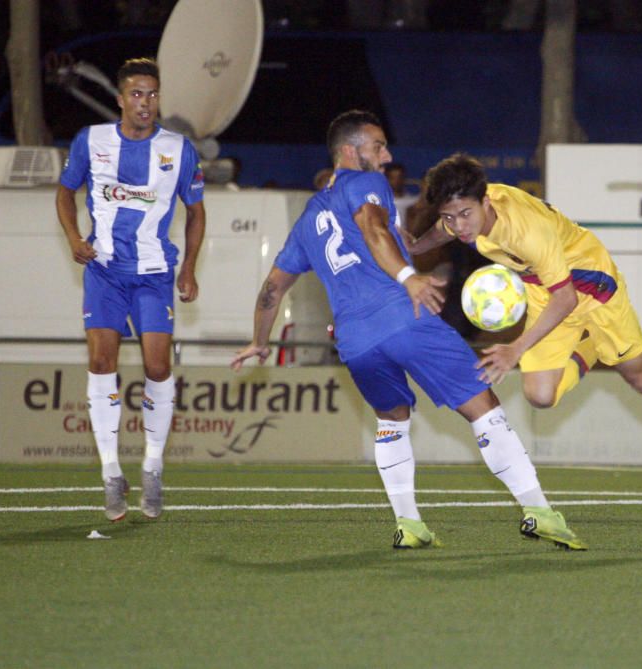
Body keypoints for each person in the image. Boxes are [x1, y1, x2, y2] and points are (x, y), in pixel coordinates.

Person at [231, 110, 586, 550]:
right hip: (405, 319)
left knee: (391, 421)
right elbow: (372, 228)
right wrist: (408, 278)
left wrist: (259, 341)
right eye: (378, 146)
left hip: (355, 343)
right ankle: (539, 511)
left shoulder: (307, 221)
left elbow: (272, 288)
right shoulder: (366, 184)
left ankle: (409, 524)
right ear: (350, 151)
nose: (387, 155)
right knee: (484, 408)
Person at [415, 153, 642, 497]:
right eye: (450, 216)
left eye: (465, 215)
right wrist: (412, 247)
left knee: (640, 377)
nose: (459, 226)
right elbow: (442, 231)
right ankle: (592, 347)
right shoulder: (466, 214)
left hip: (592, 284)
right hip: (543, 288)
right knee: (540, 395)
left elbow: (566, 300)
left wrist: (515, 348)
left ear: (486, 201)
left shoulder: (526, 232)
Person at [55, 57, 206, 521]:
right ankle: (110, 473)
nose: (146, 103)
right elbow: (65, 191)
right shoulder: (92, 140)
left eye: (153, 94)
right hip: (103, 270)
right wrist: (75, 239)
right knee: (101, 361)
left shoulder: (178, 149)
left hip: (155, 273)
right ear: (120, 99)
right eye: (137, 94)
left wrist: (190, 269)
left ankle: (153, 466)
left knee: (157, 367)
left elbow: (196, 211)